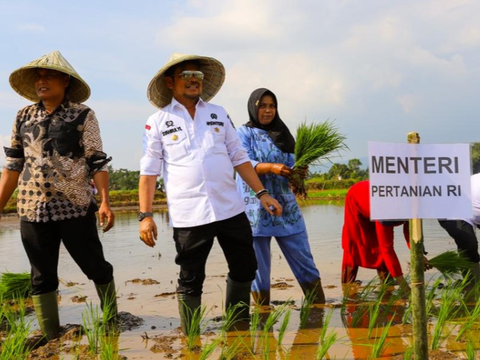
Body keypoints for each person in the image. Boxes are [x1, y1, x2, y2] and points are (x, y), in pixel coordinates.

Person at [138, 53, 282, 335]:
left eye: (198, 76)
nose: (194, 80)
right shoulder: (157, 121)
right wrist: (145, 215)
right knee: (191, 277)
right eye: (186, 75)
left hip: (230, 208)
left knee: (245, 267)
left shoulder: (218, 113)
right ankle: (191, 338)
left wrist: (262, 193)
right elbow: (149, 171)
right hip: (189, 215)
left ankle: (238, 328)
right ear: (170, 82)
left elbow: (238, 156)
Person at [0, 51, 116, 340]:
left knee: (95, 266)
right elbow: (12, 166)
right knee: (41, 275)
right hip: (31, 208)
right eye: (38, 77)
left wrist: (104, 202)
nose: (42, 81)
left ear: (65, 80)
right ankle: (50, 334)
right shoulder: (23, 116)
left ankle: (112, 319)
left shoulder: (82, 114)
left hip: (74, 206)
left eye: (49, 75)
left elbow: (96, 161)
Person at [235, 88, 326, 306]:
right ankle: (262, 311)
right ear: (253, 108)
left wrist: (298, 173)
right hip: (255, 208)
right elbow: (245, 163)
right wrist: (273, 168)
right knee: (257, 266)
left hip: (286, 206)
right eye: (262, 106)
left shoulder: (284, 135)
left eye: (272, 106)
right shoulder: (243, 133)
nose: (268, 110)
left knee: (303, 257)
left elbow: (293, 164)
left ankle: (318, 306)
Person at [341, 180, 411, 293]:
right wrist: (403, 284)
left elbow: (411, 232)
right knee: (355, 243)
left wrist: (419, 254)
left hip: (373, 201)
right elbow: (387, 249)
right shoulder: (385, 210)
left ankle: (387, 284)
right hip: (356, 199)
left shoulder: (412, 204)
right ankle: (347, 286)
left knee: (380, 246)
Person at [438, 173, 480, 285]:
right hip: (453, 212)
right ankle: (471, 282)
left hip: (473, 213)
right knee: (469, 244)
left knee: (470, 247)